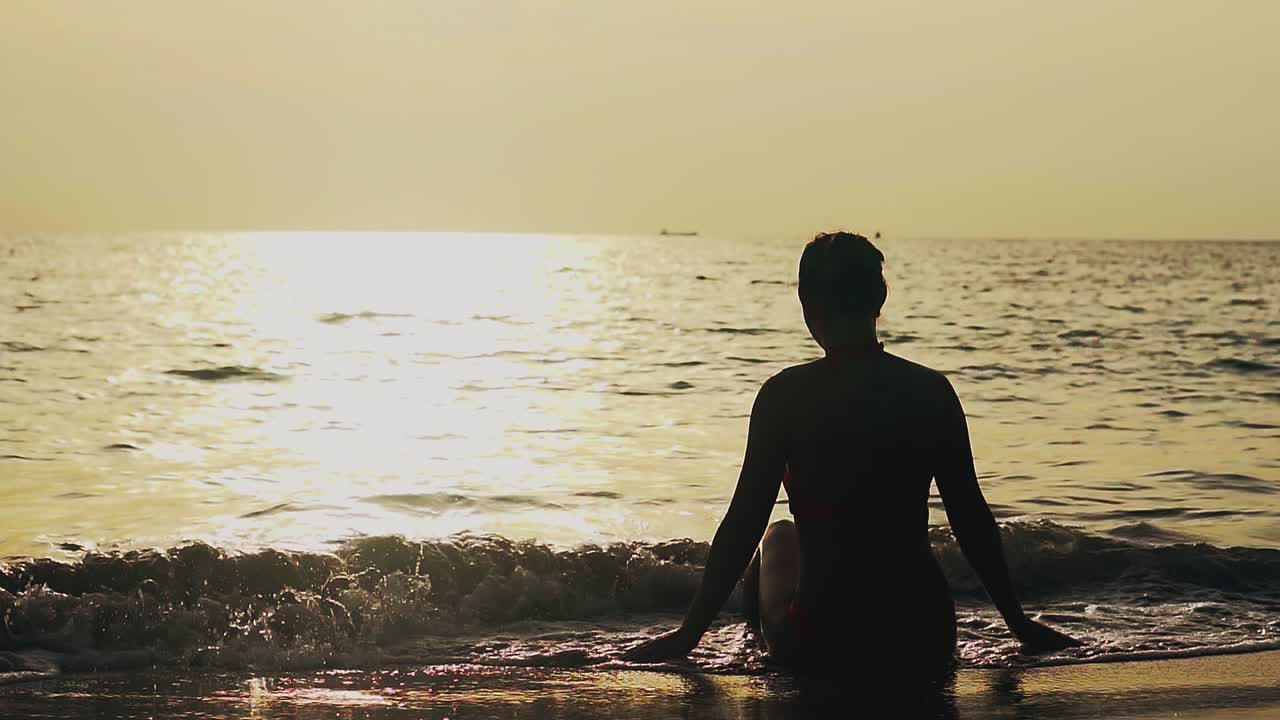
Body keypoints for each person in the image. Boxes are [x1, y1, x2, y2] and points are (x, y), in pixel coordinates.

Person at [622, 231, 1079, 674]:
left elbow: (745, 519)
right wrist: (1018, 626)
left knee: (777, 535)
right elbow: (970, 516)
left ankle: (756, 651)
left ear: (806, 304)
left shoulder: (784, 396)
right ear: (879, 300)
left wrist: (688, 636)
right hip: (924, 634)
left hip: (825, 636)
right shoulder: (931, 391)